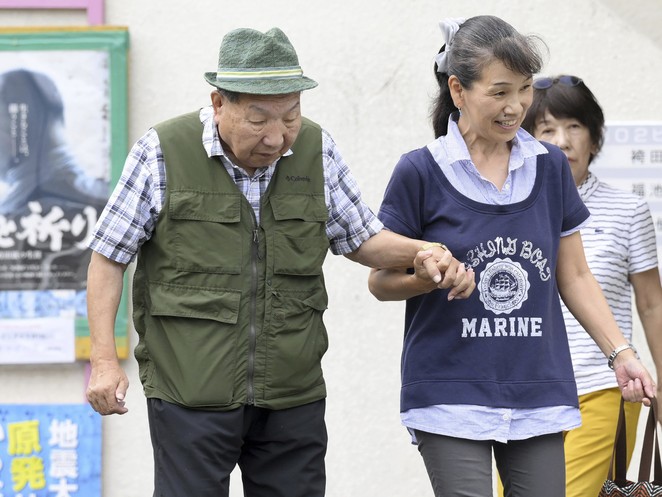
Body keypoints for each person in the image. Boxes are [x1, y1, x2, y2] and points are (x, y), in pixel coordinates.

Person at [84, 26, 475, 497]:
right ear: (218, 103)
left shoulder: (316, 148)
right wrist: (104, 361)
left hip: (292, 390)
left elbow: (362, 239)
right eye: (259, 120)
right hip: (188, 389)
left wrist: (423, 252)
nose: (277, 138)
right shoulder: (162, 151)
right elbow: (109, 257)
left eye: (291, 116)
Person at [367, 15, 655, 497]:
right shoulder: (420, 171)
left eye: (524, 90)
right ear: (458, 90)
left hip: (539, 390)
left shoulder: (549, 168)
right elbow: (379, 280)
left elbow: (575, 276)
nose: (516, 106)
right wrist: (425, 276)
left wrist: (621, 354)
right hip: (449, 392)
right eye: (499, 92)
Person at [521, 74, 662, 497]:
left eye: (574, 127)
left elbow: (651, 303)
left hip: (604, 388)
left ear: (595, 139)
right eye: (547, 129)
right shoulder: (514, 209)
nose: (562, 141)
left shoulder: (629, 210)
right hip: (526, 395)